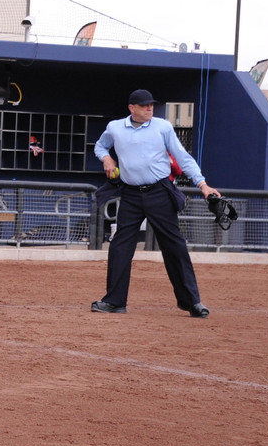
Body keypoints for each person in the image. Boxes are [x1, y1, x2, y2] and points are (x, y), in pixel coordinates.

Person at [91, 89, 220, 318]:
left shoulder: (163, 127)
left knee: (175, 247)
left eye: (151, 105)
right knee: (120, 246)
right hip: (130, 194)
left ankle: (192, 302)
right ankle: (115, 301)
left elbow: (182, 156)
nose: (149, 108)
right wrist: (107, 157)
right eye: (144, 105)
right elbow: (100, 146)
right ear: (132, 108)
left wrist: (203, 185)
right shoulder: (115, 128)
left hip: (160, 192)